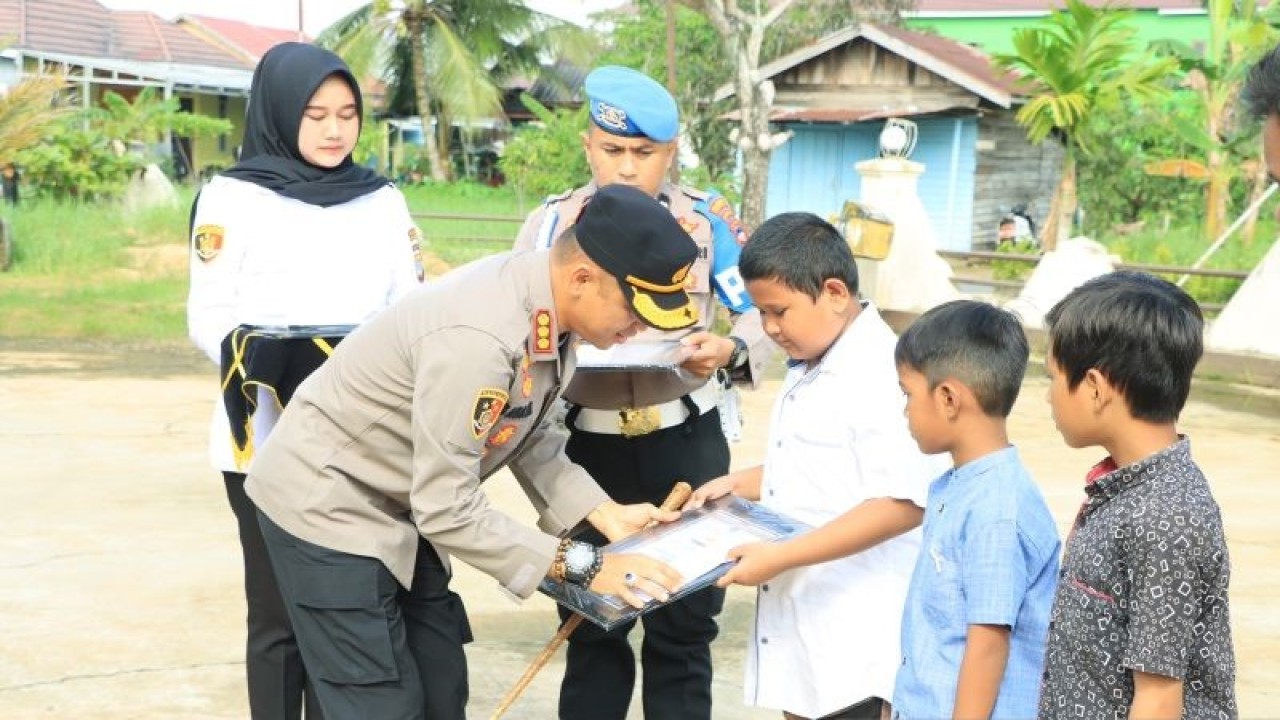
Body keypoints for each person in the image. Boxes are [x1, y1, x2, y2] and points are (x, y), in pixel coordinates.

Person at [246, 183, 701, 720]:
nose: (640, 328)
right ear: (582, 278)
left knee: (441, 687)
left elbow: (527, 431)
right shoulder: (481, 338)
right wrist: (582, 565)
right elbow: (447, 507)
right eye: (635, 310)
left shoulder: (548, 310)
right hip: (328, 504)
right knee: (379, 702)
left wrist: (605, 514)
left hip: (404, 502)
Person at [513, 64, 772, 720]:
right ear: (588, 148)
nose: (627, 168)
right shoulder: (550, 228)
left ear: (671, 152)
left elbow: (759, 311)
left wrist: (732, 350)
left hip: (685, 442)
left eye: (644, 152)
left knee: (685, 630)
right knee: (592, 626)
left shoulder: (706, 223)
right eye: (613, 150)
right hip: (583, 450)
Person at [186, 42, 426, 720]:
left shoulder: (382, 200)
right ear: (280, 111)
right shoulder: (232, 197)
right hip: (265, 438)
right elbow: (209, 314)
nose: (333, 130)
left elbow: (411, 309)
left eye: (347, 114)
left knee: (343, 610)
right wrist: (266, 358)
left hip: (364, 441)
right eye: (315, 114)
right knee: (277, 614)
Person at [687, 212, 942, 720]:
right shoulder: (816, 355)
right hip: (807, 620)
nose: (770, 328)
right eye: (761, 313)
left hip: (855, 631)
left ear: (835, 293)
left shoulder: (881, 372)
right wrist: (738, 484)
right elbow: (816, 463)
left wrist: (781, 556)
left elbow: (903, 503)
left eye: (779, 311)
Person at [1038, 271, 1236, 718]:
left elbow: (1158, 698)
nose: (1048, 397)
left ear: (1094, 388)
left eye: (1052, 377)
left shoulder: (1165, 517)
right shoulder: (1123, 491)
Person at [890, 300, 1060, 719]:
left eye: (908, 394)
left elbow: (987, 646)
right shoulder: (958, 486)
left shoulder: (997, 510)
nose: (905, 411)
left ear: (948, 398)